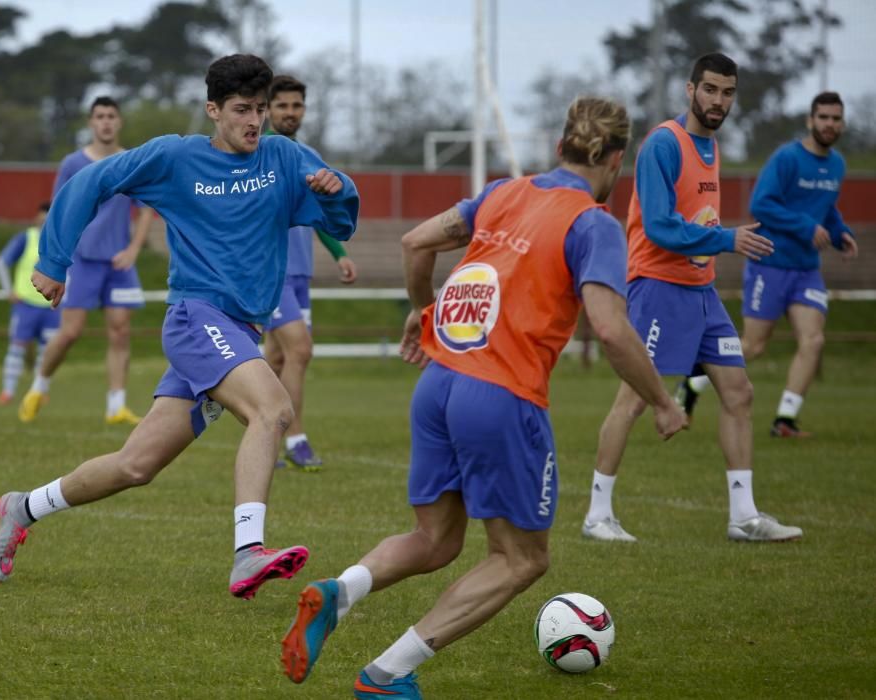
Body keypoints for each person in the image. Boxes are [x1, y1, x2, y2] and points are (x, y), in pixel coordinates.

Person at [278, 97, 686, 698]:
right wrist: (661, 399)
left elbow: (417, 242)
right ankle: (386, 674)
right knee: (522, 559)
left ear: (558, 147)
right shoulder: (593, 222)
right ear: (617, 160)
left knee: (436, 539)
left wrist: (422, 308)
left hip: (439, 384)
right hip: (502, 394)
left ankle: (340, 593)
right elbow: (611, 326)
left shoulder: (502, 193)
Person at [0, 54, 360, 601]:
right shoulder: (174, 157)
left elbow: (339, 219)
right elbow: (92, 182)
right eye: (240, 110)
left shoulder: (282, 156)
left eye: (260, 109)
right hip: (195, 320)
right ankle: (247, 552)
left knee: (136, 465)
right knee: (272, 409)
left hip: (237, 330)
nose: (254, 121)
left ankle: (23, 506)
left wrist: (336, 188)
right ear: (213, 110)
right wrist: (54, 259)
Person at [581, 53, 803, 544]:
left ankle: (743, 517)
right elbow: (659, 227)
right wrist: (728, 239)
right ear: (690, 90)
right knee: (635, 399)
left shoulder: (711, 146)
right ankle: (598, 515)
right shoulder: (664, 144)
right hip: (658, 288)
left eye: (727, 92)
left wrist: (716, 250)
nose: (718, 100)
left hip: (700, 292)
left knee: (739, 393)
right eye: (710, 90)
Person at [674, 91, 858, 438]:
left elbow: (826, 208)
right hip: (770, 264)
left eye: (836, 119)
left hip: (806, 269)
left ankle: (784, 420)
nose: (829, 124)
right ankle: (692, 382)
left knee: (813, 341)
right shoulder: (787, 158)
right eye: (823, 118)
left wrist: (840, 233)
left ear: (842, 124)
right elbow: (761, 205)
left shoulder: (837, 165)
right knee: (754, 346)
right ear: (810, 120)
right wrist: (806, 227)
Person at [17, 96, 155, 426]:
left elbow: (148, 206)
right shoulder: (72, 164)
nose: (106, 121)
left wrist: (134, 248)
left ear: (119, 122)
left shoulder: (131, 161)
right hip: (82, 263)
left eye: (111, 116)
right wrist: (57, 259)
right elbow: (59, 209)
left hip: (119, 265)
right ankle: (39, 385)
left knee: (121, 333)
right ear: (91, 123)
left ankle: (116, 406)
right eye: (100, 116)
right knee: (70, 333)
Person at [262, 74, 359, 470]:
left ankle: (263, 435)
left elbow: (320, 212)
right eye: (281, 105)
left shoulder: (309, 155)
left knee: (277, 359)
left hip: (300, 274)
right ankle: (295, 440)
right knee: (301, 350)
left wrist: (338, 254)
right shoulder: (259, 154)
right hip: (270, 273)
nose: (290, 112)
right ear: (267, 109)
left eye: (296, 105)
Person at [0, 202, 61, 405]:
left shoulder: (60, 241)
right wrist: (8, 291)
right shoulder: (27, 238)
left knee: (47, 351)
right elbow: (0, 262)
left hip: (50, 306)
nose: (44, 219)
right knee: (17, 347)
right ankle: (8, 391)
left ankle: (39, 392)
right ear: (37, 217)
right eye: (42, 215)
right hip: (26, 304)